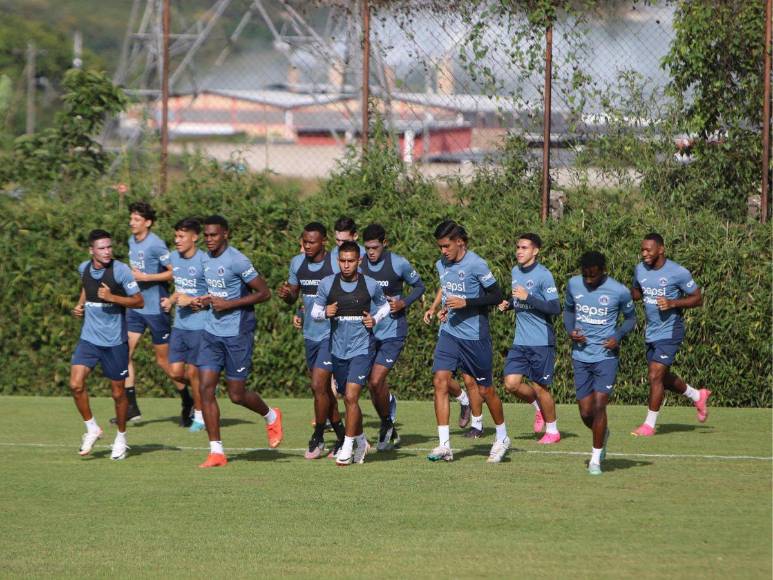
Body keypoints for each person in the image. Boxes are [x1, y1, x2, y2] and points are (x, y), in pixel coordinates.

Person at [196, 215, 282, 468]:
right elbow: (215, 292)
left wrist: (229, 304)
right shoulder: (204, 259)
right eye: (206, 235)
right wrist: (204, 301)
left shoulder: (237, 260)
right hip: (212, 332)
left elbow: (264, 293)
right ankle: (216, 452)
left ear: (225, 234)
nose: (209, 239)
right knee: (205, 388)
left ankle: (271, 415)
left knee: (236, 394)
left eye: (214, 235)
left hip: (237, 333)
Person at [426, 220, 510, 464]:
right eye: (440, 247)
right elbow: (448, 292)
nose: (442, 251)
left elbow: (496, 295)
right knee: (440, 381)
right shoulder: (441, 264)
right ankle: (444, 446)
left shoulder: (476, 264)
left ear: (459, 242)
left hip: (475, 336)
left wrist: (467, 302)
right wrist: (442, 309)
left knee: (486, 390)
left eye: (446, 246)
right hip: (449, 333)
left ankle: (502, 437)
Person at [311, 241, 390, 466]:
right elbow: (315, 311)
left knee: (352, 396)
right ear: (338, 261)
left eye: (350, 261)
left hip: (362, 348)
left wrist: (375, 319)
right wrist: (325, 312)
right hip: (338, 350)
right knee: (347, 398)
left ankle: (346, 447)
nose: (346, 265)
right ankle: (362, 440)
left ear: (359, 261)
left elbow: (385, 306)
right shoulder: (328, 283)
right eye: (342, 261)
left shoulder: (370, 284)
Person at [70, 229, 143, 460]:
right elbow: (86, 286)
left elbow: (139, 301)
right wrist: (80, 305)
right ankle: (92, 427)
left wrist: (113, 298)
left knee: (118, 393)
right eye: (101, 248)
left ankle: (121, 437)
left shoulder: (120, 271)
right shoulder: (84, 268)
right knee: (75, 384)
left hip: (114, 342)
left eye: (109, 247)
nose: (107, 251)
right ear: (91, 250)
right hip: (89, 339)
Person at [563, 251, 636, 475]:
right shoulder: (573, 284)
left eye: (593, 276)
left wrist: (618, 336)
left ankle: (595, 459)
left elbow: (631, 319)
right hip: (581, 356)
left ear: (602, 271)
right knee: (586, 412)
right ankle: (602, 434)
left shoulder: (619, 291)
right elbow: (568, 310)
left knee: (599, 404)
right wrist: (571, 330)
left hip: (606, 356)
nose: (589, 280)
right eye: (585, 276)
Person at [277, 222, 345, 460]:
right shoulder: (298, 263)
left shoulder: (335, 263)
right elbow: (295, 296)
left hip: (332, 334)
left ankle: (317, 438)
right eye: (304, 241)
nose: (306, 246)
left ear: (323, 242)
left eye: (312, 242)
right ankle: (344, 437)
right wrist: (288, 296)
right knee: (323, 391)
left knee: (318, 385)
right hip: (310, 334)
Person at [630, 233, 709, 436]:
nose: (644, 253)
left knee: (655, 375)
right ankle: (696, 395)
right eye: (642, 249)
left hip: (671, 330)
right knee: (662, 378)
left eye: (648, 249)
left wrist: (673, 303)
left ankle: (649, 425)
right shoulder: (640, 269)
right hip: (652, 332)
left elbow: (697, 298)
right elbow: (638, 292)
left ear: (661, 249)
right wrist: (620, 295)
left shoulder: (677, 272)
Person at [124, 201, 191, 425]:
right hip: (136, 307)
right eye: (131, 219)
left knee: (165, 363)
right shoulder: (130, 241)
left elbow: (173, 272)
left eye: (136, 220)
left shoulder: (157, 245)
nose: (131, 223)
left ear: (148, 223)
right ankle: (131, 407)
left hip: (155, 310)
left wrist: (147, 278)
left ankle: (189, 399)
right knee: (124, 354)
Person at [360, 223, 425, 451]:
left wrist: (403, 303)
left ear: (384, 243)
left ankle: (386, 424)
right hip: (368, 332)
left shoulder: (398, 263)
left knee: (376, 380)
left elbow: (419, 286)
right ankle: (388, 420)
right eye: (367, 247)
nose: (370, 252)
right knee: (372, 384)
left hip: (393, 332)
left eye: (375, 247)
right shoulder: (359, 262)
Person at [498, 233, 562, 444]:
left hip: (541, 341)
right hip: (520, 341)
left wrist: (529, 298)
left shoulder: (544, 275)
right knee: (511, 384)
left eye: (524, 247)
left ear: (535, 251)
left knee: (540, 387)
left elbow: (555, 308)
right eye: (518, 247)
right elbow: (518, 296)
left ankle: (552, 431)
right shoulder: (515, 271)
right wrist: (508, 303)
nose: (519, 251)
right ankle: (538, 408)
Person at [160, 218, 207, 432]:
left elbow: (216, 292)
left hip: (200, 326)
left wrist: (195, 300)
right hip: (179, 325)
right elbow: (180, 288)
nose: (177, 240)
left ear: (194, 237)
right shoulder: (173, 258)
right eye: (176, 236)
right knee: (176, 372)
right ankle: (205, 393)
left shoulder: (205, 261)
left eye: (181, 236)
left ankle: (199, 416)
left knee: (194, 373)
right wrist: (171, 301)